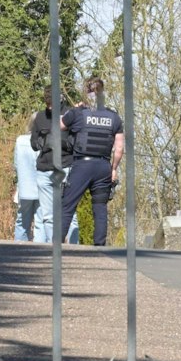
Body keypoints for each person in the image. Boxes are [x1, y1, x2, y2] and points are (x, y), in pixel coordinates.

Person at [58, 75, 124, 245]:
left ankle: (57, 243)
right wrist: (114, 169)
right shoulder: (114, 117)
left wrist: (73, 110)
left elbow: (59, 125)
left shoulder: (78, 113)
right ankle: (100, 246)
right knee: (100, 208)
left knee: (67, 205)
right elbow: (119, 148)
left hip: (82, 165)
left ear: (86, 92)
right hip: (103, 166)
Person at [29, 94, 80, 245]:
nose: (50, 107)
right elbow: (33, 143)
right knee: (48, 216)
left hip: (66, 167)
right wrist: (43, 141)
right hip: (44, 169)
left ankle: (74, 249)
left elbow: (77, 142)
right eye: (48, 103)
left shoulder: (71, 114)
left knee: (69, 214)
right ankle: (54, 247)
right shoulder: (40, 116)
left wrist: (60, 143)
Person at [12, 121, 41, 240]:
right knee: (41, 223)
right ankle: (41, 248)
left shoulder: (20, 140)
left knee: (22, 222)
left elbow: (16, 164)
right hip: (42, 187)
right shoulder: (46, 140)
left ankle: (19, 247)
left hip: (25, 185)